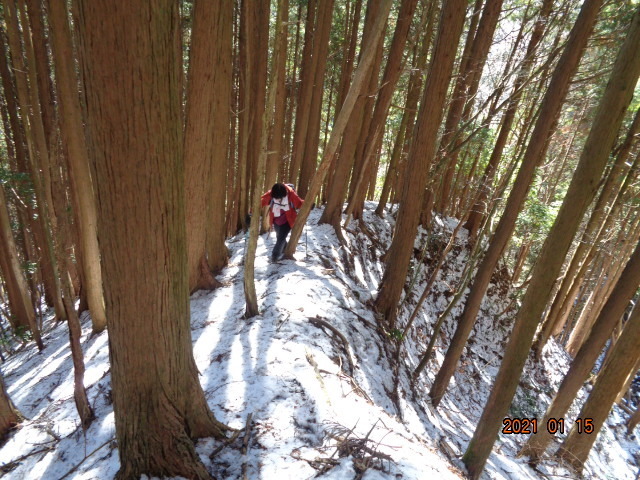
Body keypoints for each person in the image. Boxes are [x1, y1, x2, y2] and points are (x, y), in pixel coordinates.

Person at [261, 183, 304, 261]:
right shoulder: (271, 193)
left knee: (281, 237)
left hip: (288, 220)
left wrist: (309, 205)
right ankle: (285, 249)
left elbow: (299, 203)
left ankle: (275, 255)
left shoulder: (291, 194)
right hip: (276, 220)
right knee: (279, 236)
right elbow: (261, 201)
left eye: (280, 198)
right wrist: (251, 212)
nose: (279, 199)